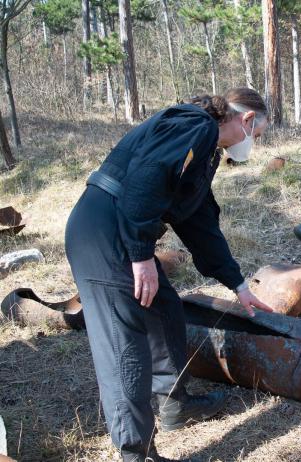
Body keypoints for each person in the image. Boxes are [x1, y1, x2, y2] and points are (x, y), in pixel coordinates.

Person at [65, 88, 274, 462]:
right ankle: (137, 452)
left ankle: (175, 403)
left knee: (164, 311)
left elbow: (200, 223)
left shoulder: (203, 150)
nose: (251, 145)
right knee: (123, 344)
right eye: (255, 136)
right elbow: (146, 180)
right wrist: (142, 254)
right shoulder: (196, 125)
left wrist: (238, 284)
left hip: (122, 228)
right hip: (105, 232)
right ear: (245, 120)